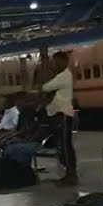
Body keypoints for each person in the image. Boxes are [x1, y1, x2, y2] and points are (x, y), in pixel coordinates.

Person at [41, 51, 78, 186]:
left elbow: (45, 87)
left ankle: (71, 175)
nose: (54, 65)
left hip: (63, 115)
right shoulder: (61, 75)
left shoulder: (64, 76)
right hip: (60, 114)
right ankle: (69, 173)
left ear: (64, 62)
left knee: (66, 145)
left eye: (56, 62)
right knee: (64, 145)